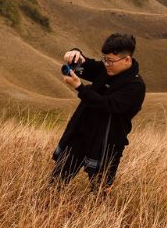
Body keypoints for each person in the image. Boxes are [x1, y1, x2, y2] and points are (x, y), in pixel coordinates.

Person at [50, 33, 146, 193]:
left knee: (100, 191)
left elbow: (108, 105)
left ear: (127, 60)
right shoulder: (105, 69)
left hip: (107, 143)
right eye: (104, 59)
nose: (106, 64)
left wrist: (80, 87)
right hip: (80, 135)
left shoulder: (135, 86)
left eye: (110, 61)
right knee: (56, 184)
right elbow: (84, 65)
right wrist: (75, 53)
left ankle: (102, 218)